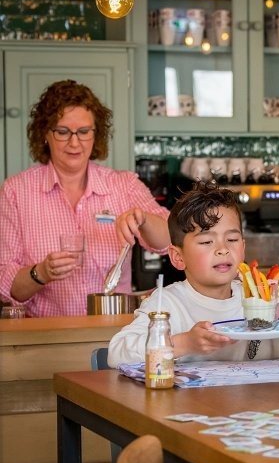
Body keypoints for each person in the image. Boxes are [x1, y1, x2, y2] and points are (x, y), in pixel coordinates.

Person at [0, 80, 170, 317]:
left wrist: (144, 219)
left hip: (114, 334)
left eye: (83, 132)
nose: (74, 142)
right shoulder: (16, 192)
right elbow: (7, 288)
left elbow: (169, 241)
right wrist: (42, 272)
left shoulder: (123, 185)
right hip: (46, 336)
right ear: (45, 134)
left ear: (95, 133)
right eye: (62, 132)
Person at [107, 182, 279, 367]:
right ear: (178, 257)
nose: (222, 249)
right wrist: (184, 343)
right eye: (207, 242)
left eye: (232, 240)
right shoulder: (167, 304)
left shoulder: (268, 300)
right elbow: (117, 353)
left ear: (243, 248)